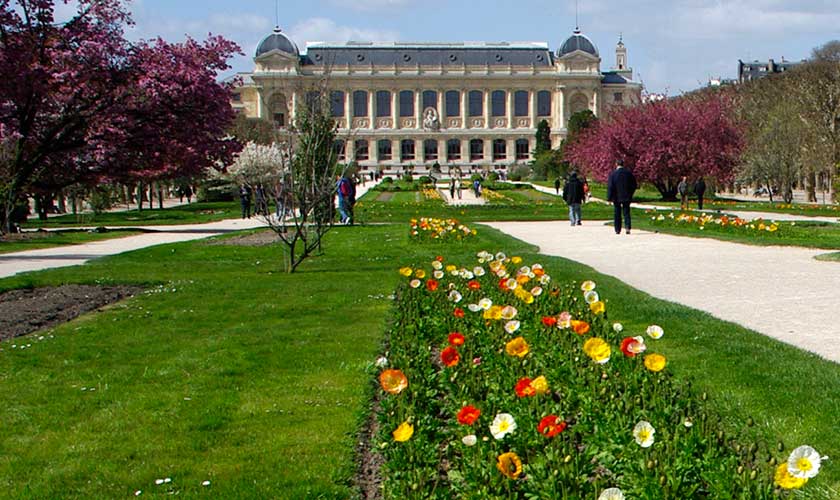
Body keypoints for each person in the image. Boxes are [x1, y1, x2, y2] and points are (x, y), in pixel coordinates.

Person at [606, 159, 637, 234]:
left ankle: (617, 229)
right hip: (626, 196)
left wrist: (609, 197)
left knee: (617, 213)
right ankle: (627, 227)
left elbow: (611, 186)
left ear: (616, 164)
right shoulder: (628, 174)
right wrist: (630, 194)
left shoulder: (613, 174)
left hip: (616, 197)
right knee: (626, 212)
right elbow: (634, 185)